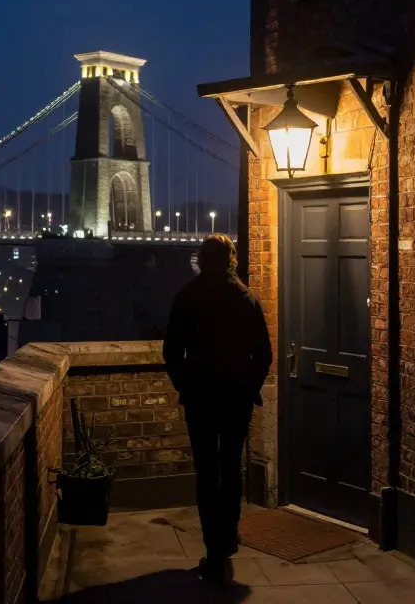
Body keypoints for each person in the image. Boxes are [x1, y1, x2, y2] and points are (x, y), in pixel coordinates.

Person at [162, 233, 272, 583]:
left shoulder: (187, 297)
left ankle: (214, 545)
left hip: (201, 398)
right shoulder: (246, 299)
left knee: (206, 470)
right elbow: (264, 355)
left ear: (202, 259)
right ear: (231, 259)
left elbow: (171, 352)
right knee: (231, 466)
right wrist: (248, 387)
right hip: (236, 398)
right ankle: (229, 536)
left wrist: (185, 384)